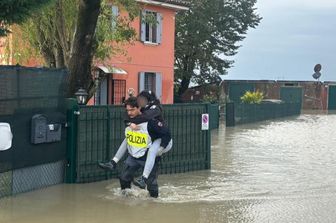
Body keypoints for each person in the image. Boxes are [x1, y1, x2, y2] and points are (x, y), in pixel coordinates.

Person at [99, 97, 172, 198]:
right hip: (133, 155)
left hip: (148, 156)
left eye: (132, 110)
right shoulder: (129, 120)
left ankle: (154, 204)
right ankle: (125, 200)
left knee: (151, 185)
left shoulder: (151, 122)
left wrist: (160, 149)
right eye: (128, 110)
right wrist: (129, 123)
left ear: (139, 108)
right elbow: (128, 138)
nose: (129, 113)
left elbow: (166, 134)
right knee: (124, 178)